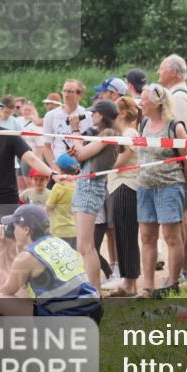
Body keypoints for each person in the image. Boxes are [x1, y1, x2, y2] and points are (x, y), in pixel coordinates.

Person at [0, 96, 55, 315]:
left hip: (5, 203)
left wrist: (52, 174)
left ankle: (19, 297)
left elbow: (31, 158)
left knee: (9, 253)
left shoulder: (9, 136)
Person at [0, 204, 101, 321]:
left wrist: (0, 252)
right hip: (92, 312)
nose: (12, 231)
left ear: (26, 230)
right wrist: (17, 247)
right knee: (24, 295)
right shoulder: (58, 242)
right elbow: (20, 288)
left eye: (14, 226)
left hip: (69, 319)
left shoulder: (27, 257)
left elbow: (5, 290)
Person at [136, 84, 187, 296]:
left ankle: (172, 283)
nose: (141, 103)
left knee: (171, 236)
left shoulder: (174, 127)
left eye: (144, 99)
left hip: (170, 186)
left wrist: (182, 184)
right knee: (147, 237)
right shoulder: (143, 123)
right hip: (145, 187)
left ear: (157, 102)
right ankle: (148, 287)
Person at [69, 100, 119, 288]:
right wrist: (77, 149)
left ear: (102, 115)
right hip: (86, 185)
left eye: (94, 113)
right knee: (86, 246)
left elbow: (82, 154)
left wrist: (75, 130)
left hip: (90, 187)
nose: (91, 116)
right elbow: (83, 155)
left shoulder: (108, 133)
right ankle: (93, 289)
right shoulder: (104, 134)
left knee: (86, 247)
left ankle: (94, 290)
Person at [157, 53, 187, 277]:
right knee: (182, 219)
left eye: (162, 68)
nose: (158, 72)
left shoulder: (178, 97)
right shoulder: (178, 94)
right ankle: (186, 268)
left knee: (181, 220)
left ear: (173, 72)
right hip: (179, 167)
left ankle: (186, 268)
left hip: (180, 168)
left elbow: (177, 134)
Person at [104, 96, 141, 296]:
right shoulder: (123, 133)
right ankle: (128, 280)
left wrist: (100, 162)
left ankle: (130, 281)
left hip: (126, 185)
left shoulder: (129, 133)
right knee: (123, 234)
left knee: (127, 235)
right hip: (118, 186)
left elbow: (120, 161)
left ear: (123, 113)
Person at [40, 80, 92, 169]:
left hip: (80, 166)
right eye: (64, 91)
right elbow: (46, 147)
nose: (66, 95)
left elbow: (91, 144)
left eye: (70, 92)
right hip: (58, 164)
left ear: (79, 95)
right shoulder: (51, 115)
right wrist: (55, 169)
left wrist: (78, 149)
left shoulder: (88, 115)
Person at [47, 153, 80, 246]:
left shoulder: (58, 187)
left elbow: (48, 207)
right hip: (74, 230)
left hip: (59, 231)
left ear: (61, 170)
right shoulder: (77, 186)